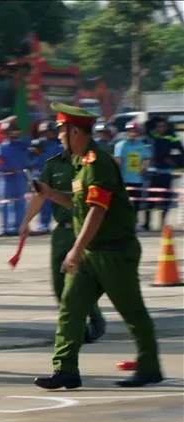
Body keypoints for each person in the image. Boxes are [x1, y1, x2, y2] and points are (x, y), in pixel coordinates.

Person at [33, 103, 163, 390]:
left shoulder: (97, 163)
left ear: (75, 131)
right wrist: (51, 194)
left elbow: (97, 211)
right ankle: (65, 369)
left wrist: (75, 250)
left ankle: (150, 366)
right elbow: (80, 205)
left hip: (113, 252)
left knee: (131, 311)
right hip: (91, 252)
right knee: (71, 307)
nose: (58, 137)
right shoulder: (80, 163)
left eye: (61, 131)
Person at [20, 149, 107, 344]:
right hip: (61, 232)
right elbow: (40, 195)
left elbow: (86, 197)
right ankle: (88, 321)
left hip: (82, 229)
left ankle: (82, 326)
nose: (60, 137)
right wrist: (26, 221)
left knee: (78, 283)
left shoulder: (89, 161)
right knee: (59, 284)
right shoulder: (53, 165)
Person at [113, 121, 151, 227]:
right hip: (124, 179)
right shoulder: (120, 145)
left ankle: (134, 223)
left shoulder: (142, 146)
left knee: (137, 204)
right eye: (130, 131)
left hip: (138, 179)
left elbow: (146, 160)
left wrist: (144, 168)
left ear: (138, 132)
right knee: (124, 203)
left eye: (134, 131)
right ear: (127, 132)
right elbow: (117, 161)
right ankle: (124, 223)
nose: (132, 133)